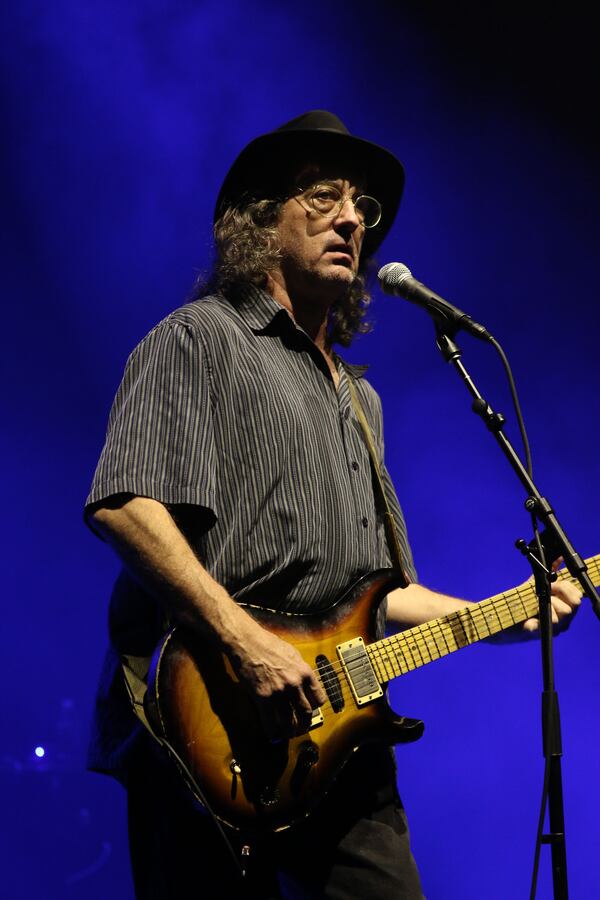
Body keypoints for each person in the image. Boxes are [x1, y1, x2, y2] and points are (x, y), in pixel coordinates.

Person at [84, 110, 581, 899]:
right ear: (259, 219)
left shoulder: (360, 400)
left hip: (341, 745)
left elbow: (384, 592)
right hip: (211, 723)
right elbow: (123, 506)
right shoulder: (197, 340)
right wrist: (246, 642)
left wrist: (511, 615)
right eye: (324, 197)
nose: (353, 218)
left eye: (362, 208)